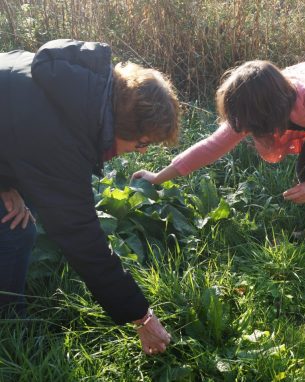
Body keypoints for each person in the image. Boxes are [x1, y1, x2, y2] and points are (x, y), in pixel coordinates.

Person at [132, 55, 305, 285]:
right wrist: (159, 176)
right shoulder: (265, 98)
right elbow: (212, 145)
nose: (249, 132)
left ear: (269, 114)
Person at [0, 39, 180, 355]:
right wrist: (141, 316)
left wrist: (6, 185)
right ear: (121, 127)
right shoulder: (61, 140)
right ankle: (9, 329)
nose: (141, 152)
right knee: (13, 231)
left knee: (17, 225)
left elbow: (11, 131)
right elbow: (82, 240)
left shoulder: (77, 87)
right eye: (142, 143)